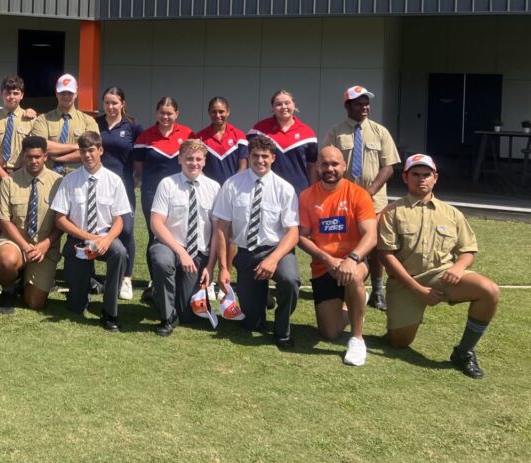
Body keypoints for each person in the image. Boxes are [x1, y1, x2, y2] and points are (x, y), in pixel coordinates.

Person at [379, 154, 500, 379]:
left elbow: (468, 250)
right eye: (415, 174)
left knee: (489, 290)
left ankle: (464, 351)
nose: (421, 179)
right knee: (399, 342)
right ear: (405, 177)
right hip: (406, 282)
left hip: (443, 276)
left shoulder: (452, 213)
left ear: (435, 178)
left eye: (426, 175)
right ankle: (405, 319)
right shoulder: (392, 212)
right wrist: (418, 290)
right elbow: (386, 256)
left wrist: (457, 268)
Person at [210, 134, 301, 349]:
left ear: (273, 158)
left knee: (290, 280)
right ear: (248, 157)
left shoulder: (284, 188)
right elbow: (222, 229)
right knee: (253, 324)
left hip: (277, 251)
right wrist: (224, 268)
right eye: (255, 156)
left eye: (265, 156)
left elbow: (293, 233)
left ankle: (283, 329)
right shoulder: (232, 185)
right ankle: (261, 300)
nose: (260, 160)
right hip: (247, 253)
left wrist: (273, 259)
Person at [322, 85, 401, 312]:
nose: (364, 107)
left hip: (373, 201)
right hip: (343, 201)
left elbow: (389, 167)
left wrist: (369, 192)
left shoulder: (380, 131)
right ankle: (343, 283)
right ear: (347, 106)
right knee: (343, 242)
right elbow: (328, 166)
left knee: (374, 246)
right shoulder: (336, 133)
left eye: (366, 103)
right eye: (358, 103)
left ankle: (377, 290)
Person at [297, 146, 378, 366]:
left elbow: (371, 235)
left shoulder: (358, 194)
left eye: (335, 164)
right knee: (329, 333)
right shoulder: (306, 196)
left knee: (353, 277)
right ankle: (353, 302)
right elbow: (301, 237)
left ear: (344, 166)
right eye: (325, 164)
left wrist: (351, 259)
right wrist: (327, 259)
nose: (330, 168)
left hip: (354, 260)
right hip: (325, 266)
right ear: (318, 167)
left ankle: (357, 338)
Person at [52, 132, 131, 332]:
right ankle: (83, 291)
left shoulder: (114, 180)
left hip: (105, 236)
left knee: (120, 253)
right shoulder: (70, 180)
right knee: (76, 307)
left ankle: (109, 311)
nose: (87, 155)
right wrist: (88, 237)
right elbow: (59, 219)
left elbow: (119, 220)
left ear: (100, 151)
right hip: (79, 240)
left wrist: (106, 240)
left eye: (91, 150)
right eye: (83, 151)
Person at [149, 139, 220, 336]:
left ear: (205, 161)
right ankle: (167, 318)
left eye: (198, 159)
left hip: (198, 253)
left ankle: (160, 295)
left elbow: (217, 232)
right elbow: (156, 223)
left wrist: (210, 266)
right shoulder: (168, 184)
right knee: (163, 262)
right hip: (170, 245)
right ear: (180, 159)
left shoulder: (214, 188)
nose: (194, 163)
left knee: (187, 314)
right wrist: (181, 252)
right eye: (189, 159)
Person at [0, 135, 63, 313]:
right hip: (16, 241)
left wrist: (45, 245)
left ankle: (23, 281)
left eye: (38, 156)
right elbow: (2, 219)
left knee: (35, 303)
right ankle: (8, 291)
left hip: (45, 246)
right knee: (7, 261)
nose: (33, 161)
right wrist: (25, 246)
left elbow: (62, 221)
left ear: (45, 156)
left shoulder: (59, 183)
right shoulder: (9, 181)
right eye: (29, 156)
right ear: (23, 156)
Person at [134, 96, 194, 300]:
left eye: (170, 113)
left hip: (181, 193)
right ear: (156, 113)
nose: (166, 116)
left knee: (180, 233)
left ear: (176, 114)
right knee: (156, 236)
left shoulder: (187, 134)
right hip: (152, 193)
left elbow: (194, 161)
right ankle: (156, 282)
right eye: (162, 112)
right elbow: (139, 166)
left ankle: (180, 281)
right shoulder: (145, 136)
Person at [95, 86, 143, 300]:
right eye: (107, 102)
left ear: (123, 104)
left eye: (114, 103)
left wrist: (137, 179)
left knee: (126, 230)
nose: (111, 107)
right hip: (98, 186)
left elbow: (139, 158)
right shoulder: (96, 124)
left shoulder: (133, 127)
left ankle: (126, 279)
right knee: (97, 228)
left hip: (123, 187)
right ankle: (95, 276)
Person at [249, 89, 318, 196]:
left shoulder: (307, 133)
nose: (284, 107)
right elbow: (250, 159)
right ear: (273, 107)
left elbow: (312, 166)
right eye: (278, 104)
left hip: (299, 192)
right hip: (267, 191)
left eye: (287, 103)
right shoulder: (258, 130)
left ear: (294, 105)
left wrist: (313, 191)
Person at [30, 74, 97, 175]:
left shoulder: (88, 121)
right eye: (62, 92)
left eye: (70, 93)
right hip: (49, 177)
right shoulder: (43, 120)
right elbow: (40, 147)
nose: (66, 96)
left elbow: (91, 151)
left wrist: (60, 158)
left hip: (77, 177)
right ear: (56, 93)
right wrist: (76, 146)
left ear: (76, 94)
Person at [0, 75, 36, 180]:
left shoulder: (31, 120)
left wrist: (21, 175)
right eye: (8, 93)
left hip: (22, 175)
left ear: (22, 95)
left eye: (16, 93)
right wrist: (4, 176)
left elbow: (33, 151)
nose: (12, 97)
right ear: (2, 94)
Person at [195, 96, 248, 186]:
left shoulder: (239, 136)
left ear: (228, 112)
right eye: (214, 112)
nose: (218, 115)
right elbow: (197, 165)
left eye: (221, 111)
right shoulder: (200, 137)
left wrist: (233, 185)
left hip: (233, 187)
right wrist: (207, 185)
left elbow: (243, 167)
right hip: (208, 189)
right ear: (209, 113)